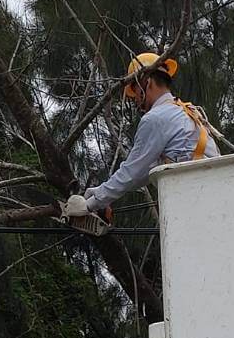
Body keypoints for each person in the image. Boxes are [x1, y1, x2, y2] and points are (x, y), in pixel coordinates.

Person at [61, 52, 219, 225]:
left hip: (194, 193)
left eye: (135, 91)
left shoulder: (156, 118)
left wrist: (88, 205)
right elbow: (145, 170)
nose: (135, 99)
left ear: (147, 82)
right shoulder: (185, 111)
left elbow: (133, 171)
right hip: (211, 190)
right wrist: (101, 194)